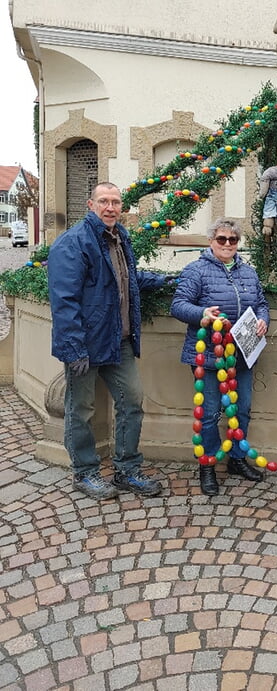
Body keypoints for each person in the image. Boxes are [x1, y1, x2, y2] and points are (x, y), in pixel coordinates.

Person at [48, 182, 168, 501]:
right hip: (85, 346)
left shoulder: (119, 237)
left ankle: (127, 468)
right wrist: (74, 350)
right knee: (82, 409)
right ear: (91, 204)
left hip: (118, 341)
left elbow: (127, 278)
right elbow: (64, 301)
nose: (111, 207)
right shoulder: (73, 243)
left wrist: (164, 280)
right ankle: (85, 472)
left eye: (116, 202)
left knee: (132, 401)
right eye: (104, 201)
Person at [170, 218, 270, 496]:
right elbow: (178, 306)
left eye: (233, 240)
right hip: (209, 356)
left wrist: (263, 320)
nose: (227, 244)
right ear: (211, 241)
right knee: (210, 414)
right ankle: (208, 465)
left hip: (242, 354)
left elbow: (261, 303)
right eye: (221, 239)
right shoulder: (196, 271)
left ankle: (237, 459)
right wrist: (202, 314)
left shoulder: (249, 273)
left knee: (242, 409)